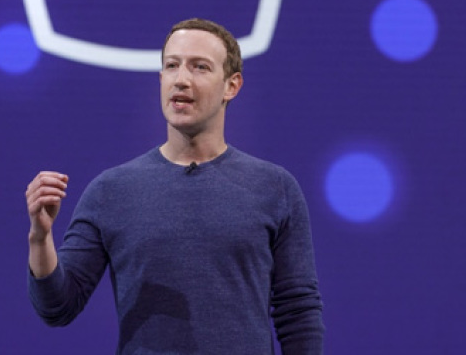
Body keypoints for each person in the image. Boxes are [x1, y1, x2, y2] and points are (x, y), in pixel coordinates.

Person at [25, 18, 324, 354]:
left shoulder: (275, 188)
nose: (181, 79)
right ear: (161, 78)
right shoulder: (110, 191)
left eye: (200, 67)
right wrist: (40, 238)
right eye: (172, 66)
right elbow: (58, 307)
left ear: (232, 85)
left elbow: (297, 312)